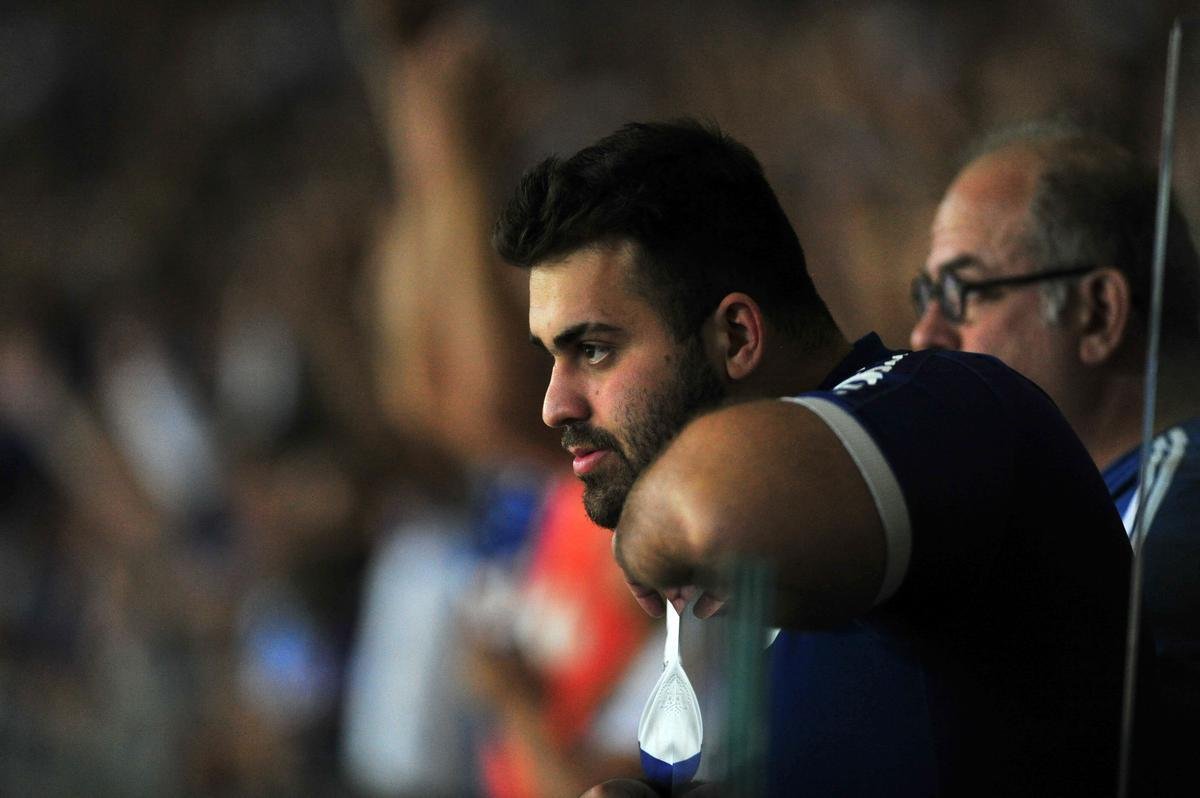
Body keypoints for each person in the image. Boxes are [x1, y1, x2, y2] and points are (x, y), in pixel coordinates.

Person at [493, 119, 1148, 797]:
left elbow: (711, 508)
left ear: (738, 336)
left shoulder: (947, 406)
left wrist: (644, 539)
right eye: (552, 358)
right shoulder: (728, 561)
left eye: (594, 350)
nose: (555, 405)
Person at [910, 123, 1199, 795]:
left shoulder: (1179, 506)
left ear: (1098, 313)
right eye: (926, 297)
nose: (926, 334)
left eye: (965, 291)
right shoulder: (1085, 510)